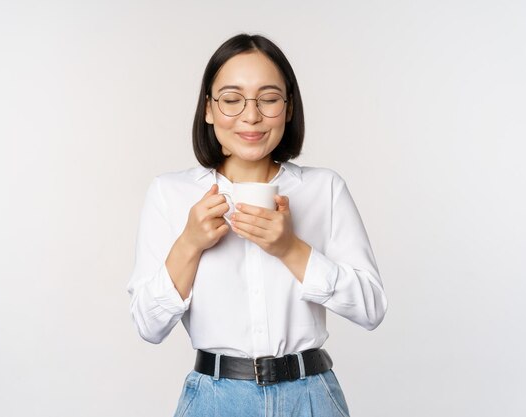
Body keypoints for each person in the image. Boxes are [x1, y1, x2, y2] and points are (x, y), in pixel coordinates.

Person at [127, 33, 388, 417]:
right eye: (232, 100)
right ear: (209, 109)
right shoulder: (171, 193)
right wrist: (189, 243)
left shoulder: (324, 188)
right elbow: (149, 326)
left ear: (288, 108)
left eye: (268, 99)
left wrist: (290, 249)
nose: (251, 116)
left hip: (311, 396)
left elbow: (371, 309)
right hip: (214, 400)